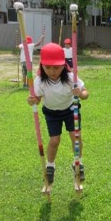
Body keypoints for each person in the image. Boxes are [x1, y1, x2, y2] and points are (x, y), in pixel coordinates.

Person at [27, 42, 89, 185]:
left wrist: (81, 93)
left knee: (76, 137)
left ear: (63, 65)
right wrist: (31, 101)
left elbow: (86, 93)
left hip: (70, 110)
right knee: (54, 141)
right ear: (42, 66)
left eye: (56, 67)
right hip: (51, 113)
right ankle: (50, 165)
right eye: (47, 67)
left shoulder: (70, 77)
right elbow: (36, 99)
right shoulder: (40, 81)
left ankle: (77, 163)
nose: (52, 71)